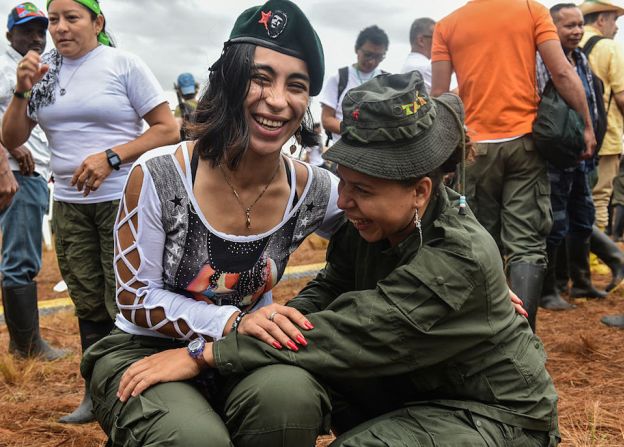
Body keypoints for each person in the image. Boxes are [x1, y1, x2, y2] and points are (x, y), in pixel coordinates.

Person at [113, 72, 560, 447]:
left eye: (362, 190)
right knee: (276, 397)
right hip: (405, 384)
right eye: (342, 182)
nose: (342, 201)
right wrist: (277, 323)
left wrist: (206, 354)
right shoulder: (378, 223)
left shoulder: (458, 255)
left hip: (489, 411)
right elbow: (332, 286)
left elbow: (355, 331)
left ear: (420, 191)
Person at [80, 1, 342, 445]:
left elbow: (392, 207)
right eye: (260, 78)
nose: (277, 101)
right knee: (193, 438)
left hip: (244, 351)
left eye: (296, 86)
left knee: (290, 401)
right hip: (145, 347)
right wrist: (230, 324)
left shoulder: (313, 190)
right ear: (228, 81)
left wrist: (476, 269)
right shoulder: (161, 174)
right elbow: (134, 298)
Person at [1, 0, 179, 424]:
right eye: (54, 20)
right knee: (87, 302)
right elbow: (12, 137)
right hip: (70, 204)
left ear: (97, 22)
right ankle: (96, 391)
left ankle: (139, 390)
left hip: (125, 201)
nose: (60, 28)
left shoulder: (122, 64)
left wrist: (112, 158)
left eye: (72, 18)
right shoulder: (43, 70)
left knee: (128, 299)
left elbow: (167, 128)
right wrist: (23, 90)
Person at [431, 0, 596, 332]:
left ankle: (485, 334)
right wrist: (587, 125)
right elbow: (562, 71)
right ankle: (522, 337)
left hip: (475, 148)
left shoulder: (447, 25)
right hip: (525, 143)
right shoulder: (531, 10)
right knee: (526, 243)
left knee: (479, 239)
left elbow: (440, 97)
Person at [0, 3, 67, 360]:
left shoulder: (36, 68)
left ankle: (24, 344)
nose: (37, 38)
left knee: (22, 258)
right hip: (17, 176)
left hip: (35, 174)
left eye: (41, 30)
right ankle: (27, 347)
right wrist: (5, 162)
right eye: (27, 30)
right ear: (9, 34)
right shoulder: (4, 66)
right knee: (21, 261)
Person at [536, 3, 606, 311]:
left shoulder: (581, 58)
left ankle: (581, 282)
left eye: (579, 24)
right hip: (556, 158)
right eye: (569, 26)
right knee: (554, 222)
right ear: (553, 29)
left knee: (583, 217)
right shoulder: (542, 61)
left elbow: (591, 104)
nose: (577, 31)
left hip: (582, 156)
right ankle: (548, 289)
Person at [578, 0, 624, 291]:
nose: (617, 26)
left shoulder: (569, 44)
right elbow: (621, 96)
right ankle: (597, 261)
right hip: (605, 136)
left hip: (574, 137)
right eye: (614, 19)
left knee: (577, 200)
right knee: (600, 198)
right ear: (603, 19)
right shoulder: (609, 48)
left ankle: (578, 260)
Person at [319, 25, 388, 144]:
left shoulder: (386, 80)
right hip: (343, 152)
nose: (372, 61)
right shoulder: (339, 78)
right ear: (357, 49)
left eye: (378, 57)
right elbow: (327, 119)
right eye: (367, 54)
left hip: (374, 153)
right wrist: (355, 132)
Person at [401, 17, 435, 92]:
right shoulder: (426, 67)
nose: (439, 42)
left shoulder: (408, 64)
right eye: (436, 37)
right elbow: (443, 98)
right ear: (421, 40)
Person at [174, 72, 198, 140]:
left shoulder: (180, 108)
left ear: (179, 91)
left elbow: (175, 132)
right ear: (196, 88)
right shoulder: (205, 105)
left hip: (188, 147)